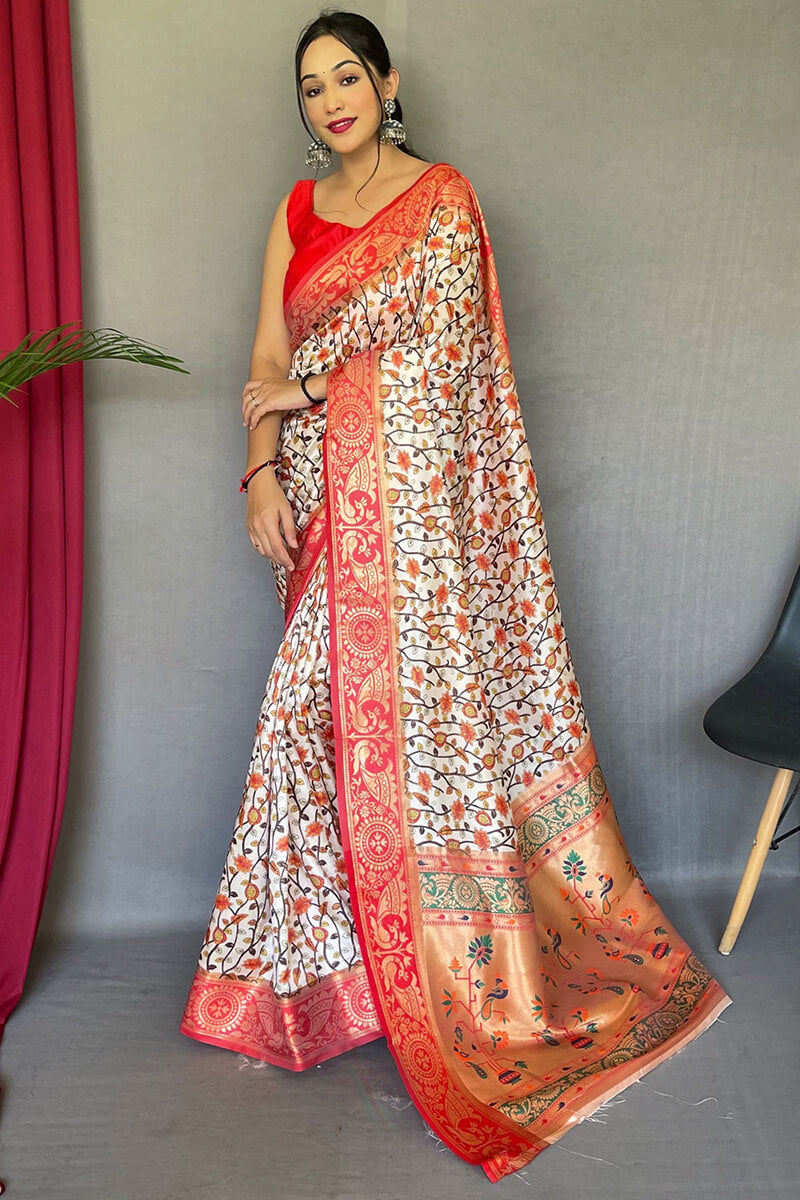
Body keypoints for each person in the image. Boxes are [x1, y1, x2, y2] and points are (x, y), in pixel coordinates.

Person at [180, 9, 731, 1182]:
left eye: (346, 76)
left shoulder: (442, 202)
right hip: (322, 501)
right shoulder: (294, 212)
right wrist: (258, 471)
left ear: (387, 84)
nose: (331, 99)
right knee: (319, 724)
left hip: (415, 514)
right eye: (310, 86)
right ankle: (323, 983)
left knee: (401, 734)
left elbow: (444, 365)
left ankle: (447, 980)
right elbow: (264, 362)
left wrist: (309, 392)